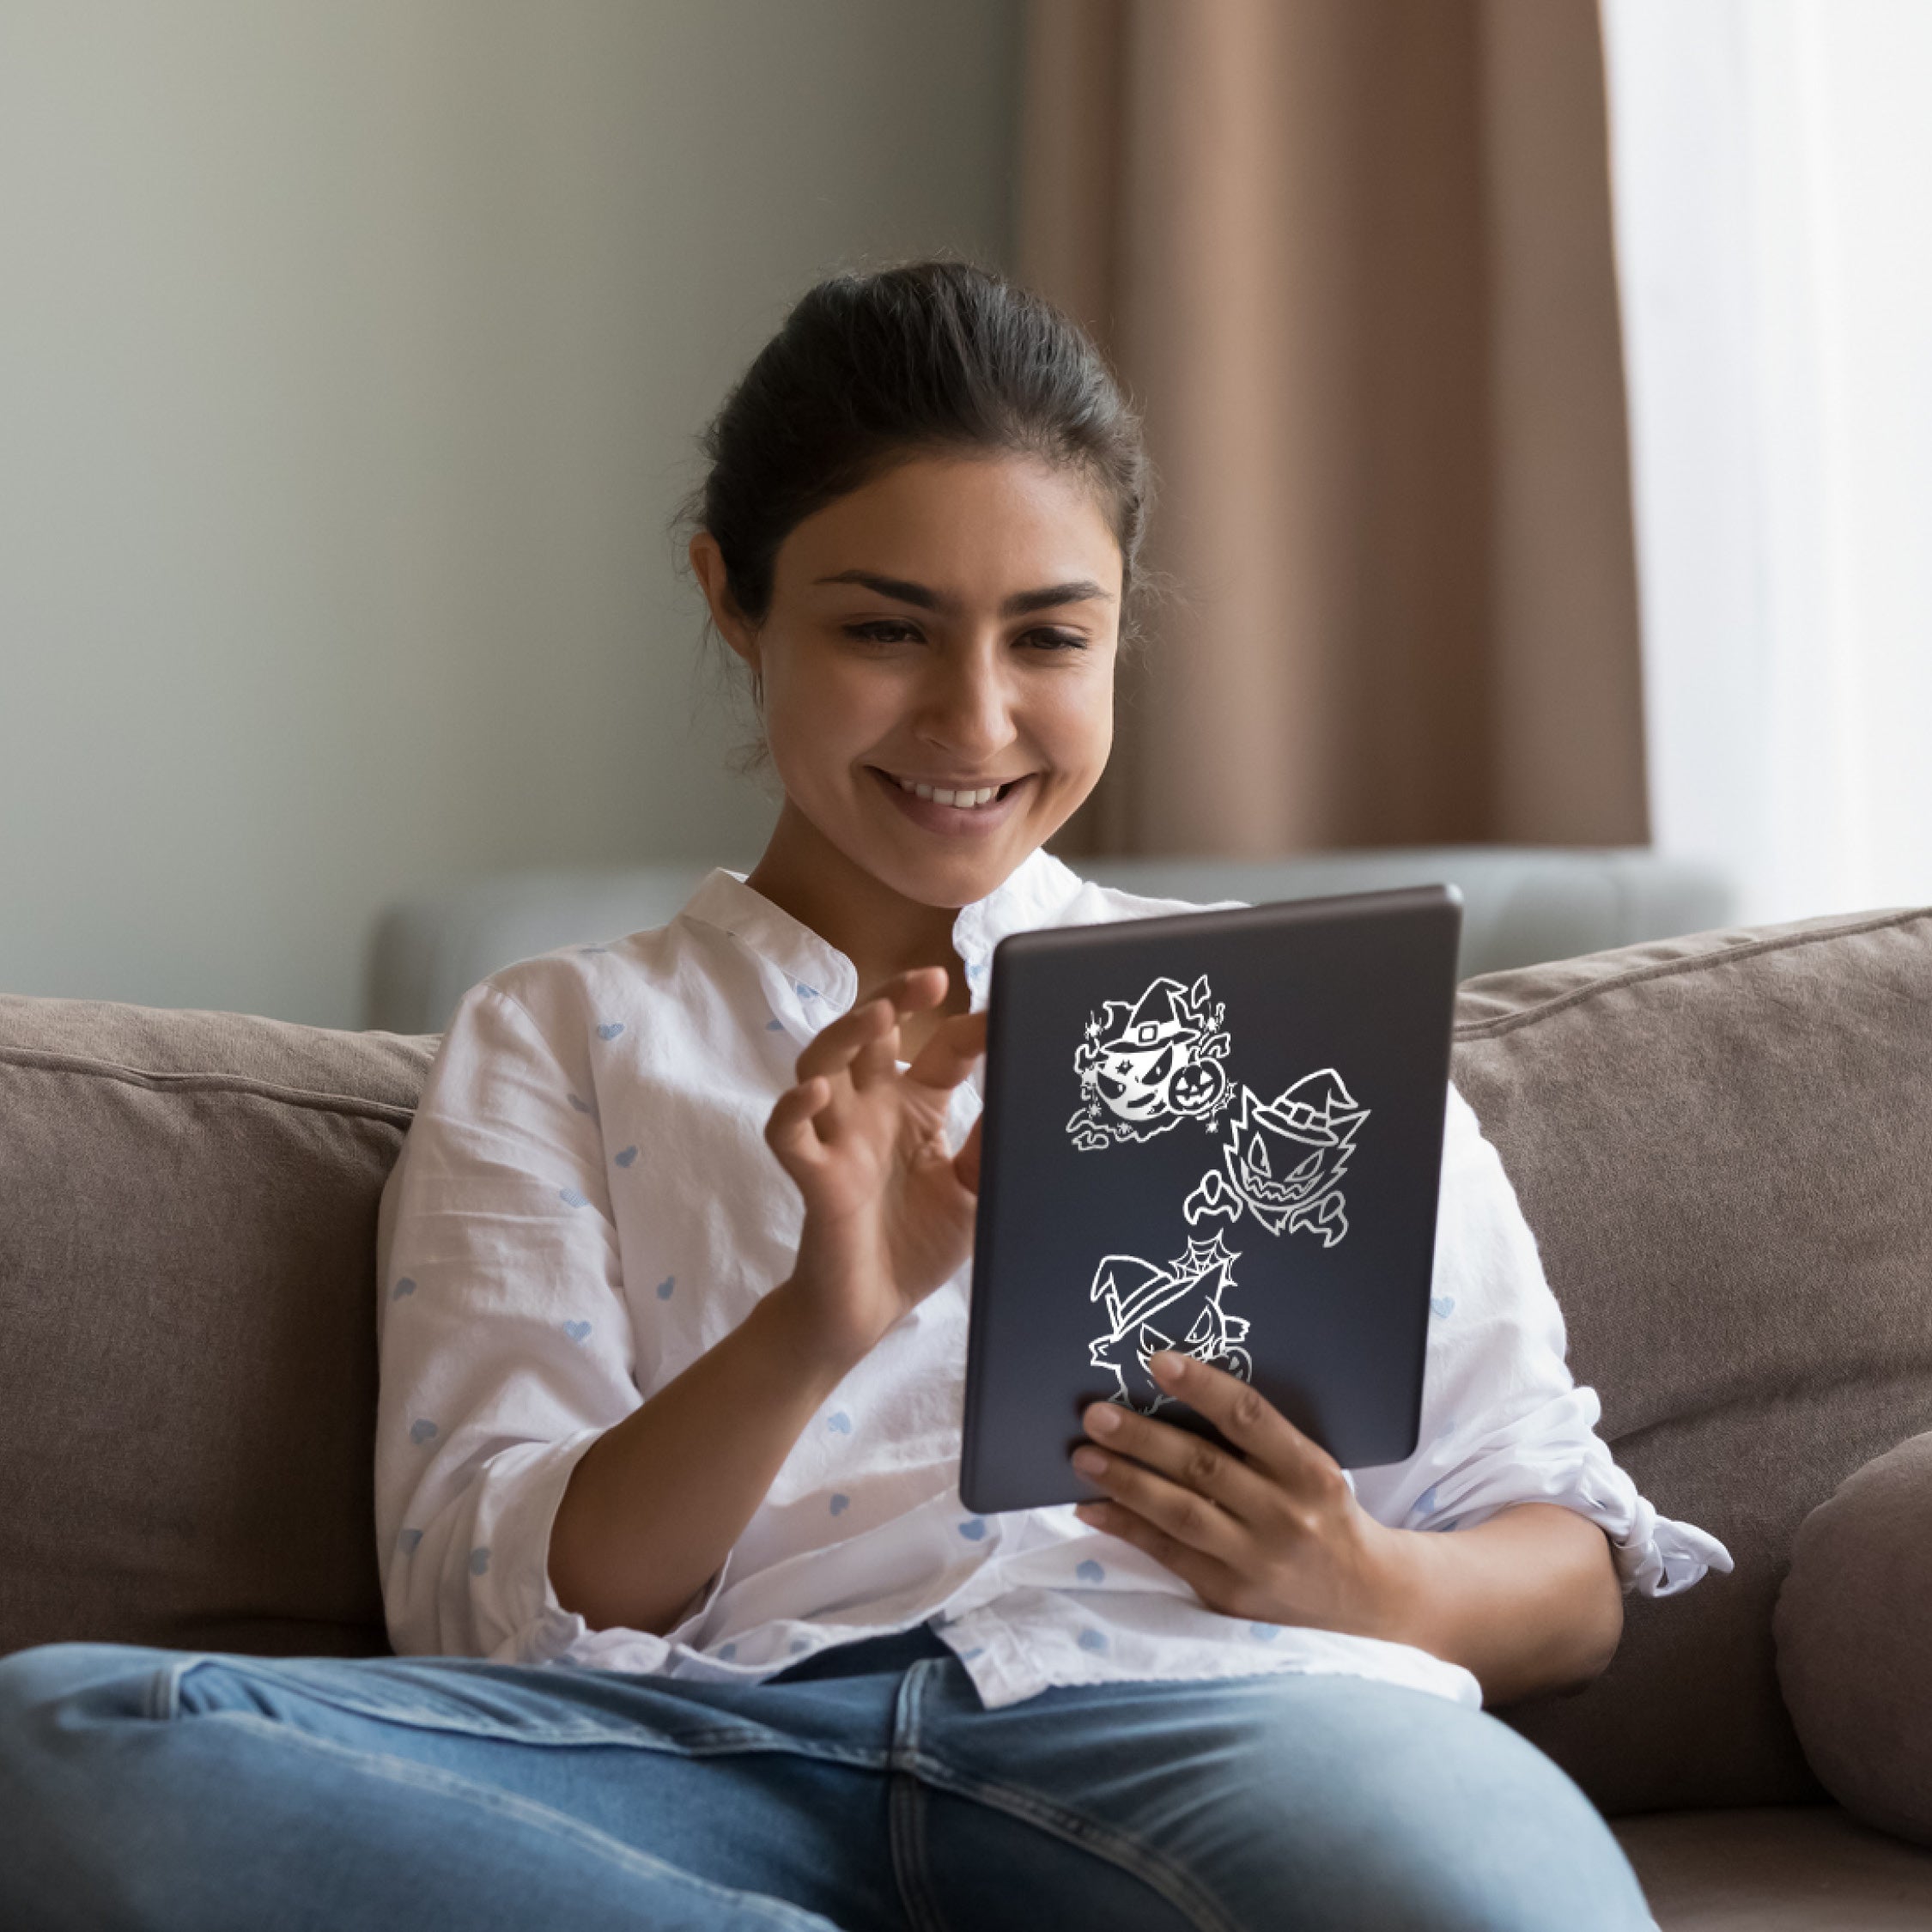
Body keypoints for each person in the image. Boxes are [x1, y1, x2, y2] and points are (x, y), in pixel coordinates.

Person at [0, 261, 1729, 1932]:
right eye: (885, 628)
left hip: (1213, 1719)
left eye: (1049, 635)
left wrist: (1371, 1584)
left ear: (1123, 624)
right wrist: (818, 1318)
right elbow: (487, 1613)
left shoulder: (1306, 1021)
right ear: (731, 598)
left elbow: (1569, 1571)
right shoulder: (555, 1037)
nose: (972, 717)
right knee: (64, 1748)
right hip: (713, 1755)